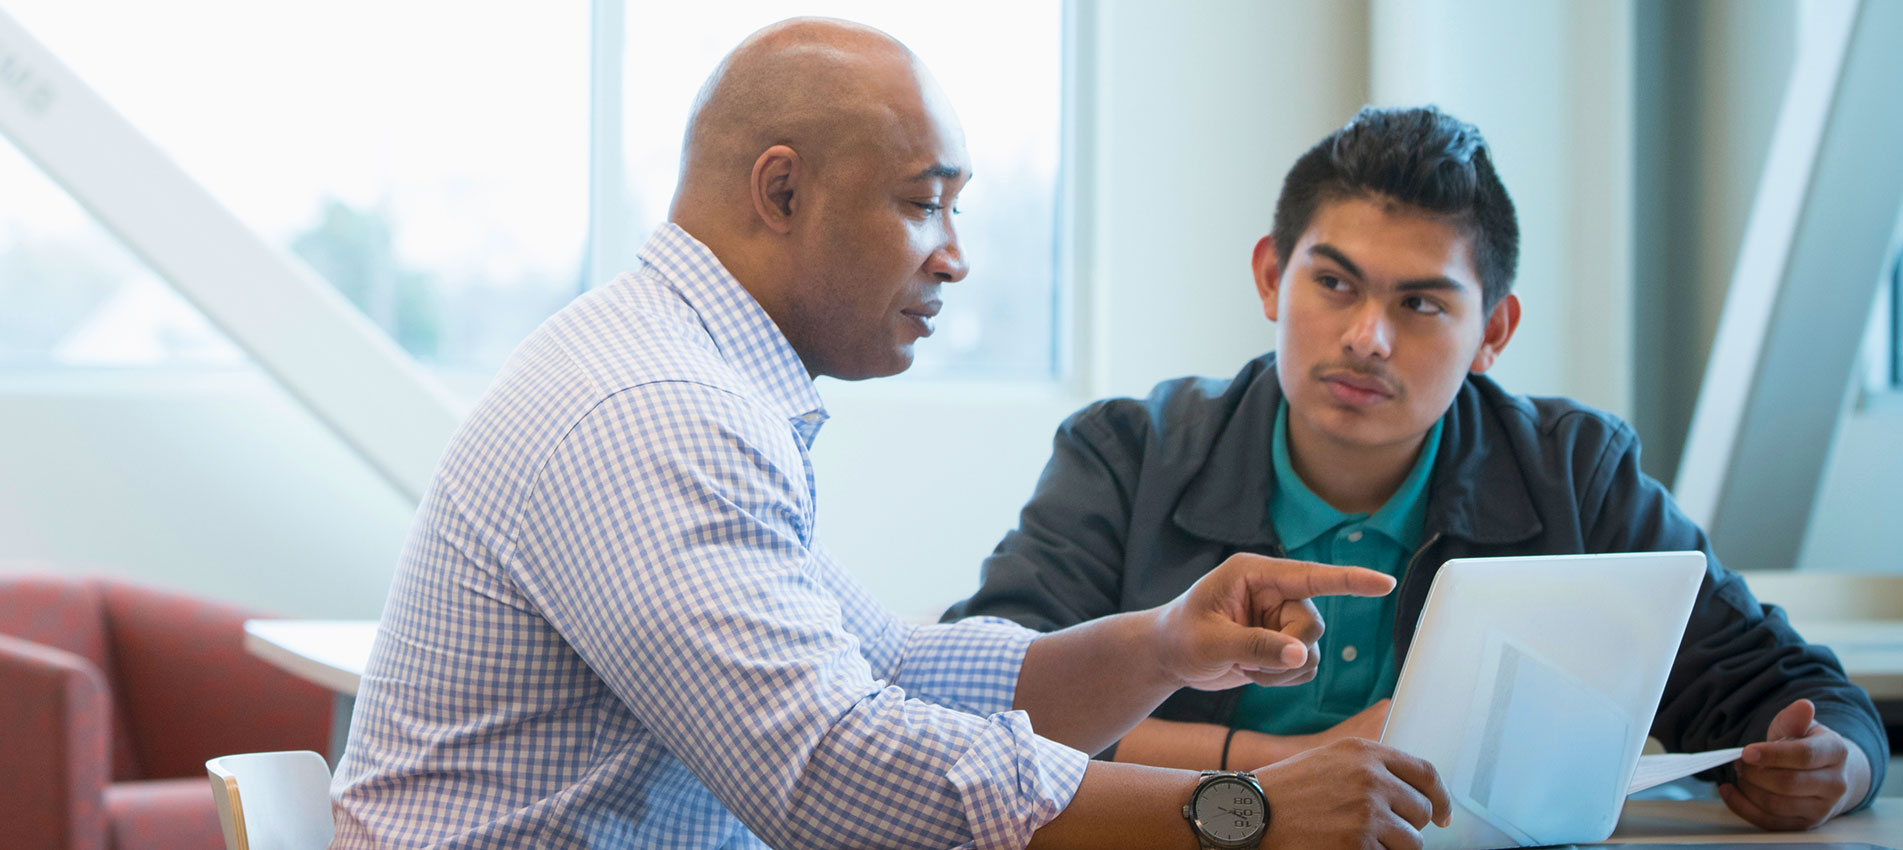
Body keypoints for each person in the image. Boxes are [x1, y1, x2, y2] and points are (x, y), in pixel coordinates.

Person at [330, 20, 1458, 850]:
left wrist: (1163, 644)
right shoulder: (654, 412)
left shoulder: (684, 376)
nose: (955, 255)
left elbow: (900, 674)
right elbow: (828, 776)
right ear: (781, 191)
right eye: (925, 201)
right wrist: (1245, 812)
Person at [945, 105, 1890, 831]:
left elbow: (1793, 691)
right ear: (1272, 275)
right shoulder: (1126, 453)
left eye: (1422, 304)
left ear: (1494, 331)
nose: (1366, 338)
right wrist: (1287, 765)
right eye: (1333, 283)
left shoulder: (1573, 471)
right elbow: (972, 702)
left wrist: (1830, 767)